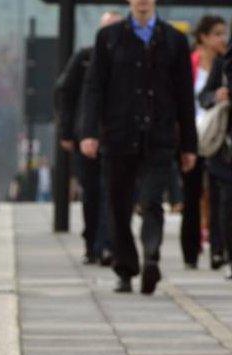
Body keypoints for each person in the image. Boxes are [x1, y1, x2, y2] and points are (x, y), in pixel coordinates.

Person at [81, 0, 198, 295]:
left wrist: (189, 145)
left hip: (159, 134)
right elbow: (94, 88)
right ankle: (125, 268)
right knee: (118, 205)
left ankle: (151, 256)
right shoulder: (108, 38)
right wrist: (89, 132)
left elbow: (185, 96)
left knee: (151, 200)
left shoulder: (173, 39)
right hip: (119, 134)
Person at [56, 10, 123, 266]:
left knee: (112, 192)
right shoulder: (84, 58)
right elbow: (64, 93)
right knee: (92, 192)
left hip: (115, 137)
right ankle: (91, 243)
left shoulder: (128, 60)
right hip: (85, 136)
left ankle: (107, 246)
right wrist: (66, 131)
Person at [185, 15, 229, 270]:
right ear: (203, 37)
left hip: (216, 136)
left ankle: (217, 248)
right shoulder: (190, 62)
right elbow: (197, 96)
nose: (221, 39)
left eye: (224, 33)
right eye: (217, 34)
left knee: (217, 193)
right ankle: (191, 250)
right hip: (192, 135)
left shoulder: (225, 64)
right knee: (192, 194)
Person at [199, 28, 232, 279]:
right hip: (224, 142)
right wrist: (216, 96)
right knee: (225, 200)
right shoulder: (222, 66)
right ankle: (223, 251)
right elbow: (204, 96)